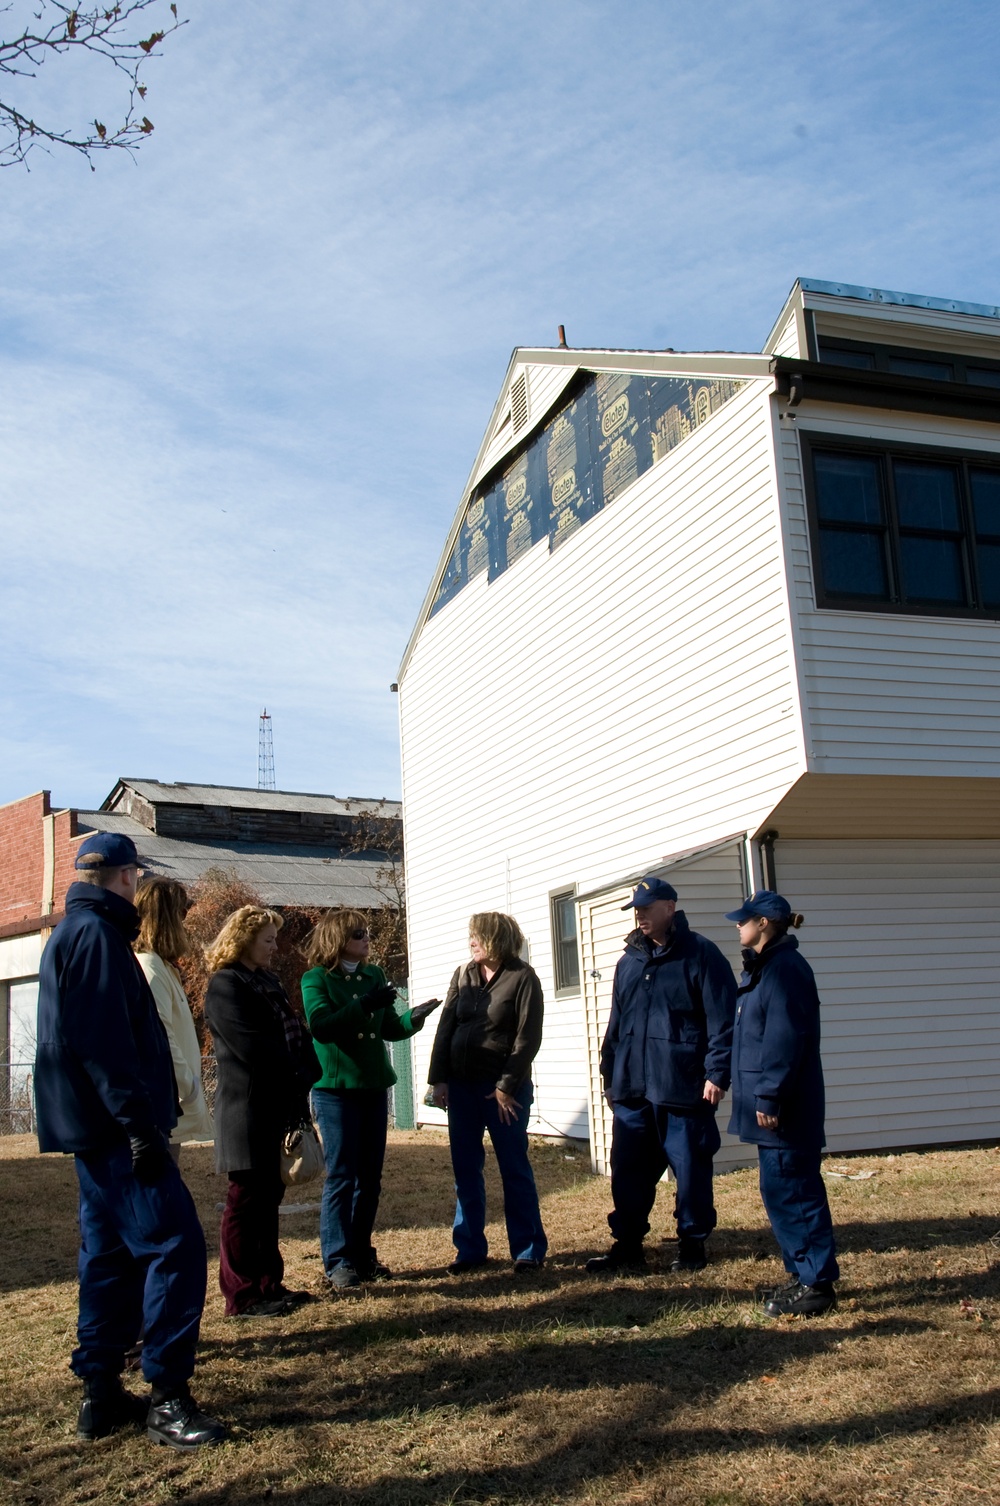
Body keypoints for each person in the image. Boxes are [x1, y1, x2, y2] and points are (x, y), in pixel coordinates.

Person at [33, 832, 225, 1449]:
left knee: (109, 1256)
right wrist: (139, 1126)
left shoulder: (78, 933)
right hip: (117, 1133)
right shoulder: (96, 939)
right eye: (137, 878)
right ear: (125, 878)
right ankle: (168, 1397)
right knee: (175, 1247)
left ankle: (101, 1392)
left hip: (98, 1132)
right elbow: (103, 1045)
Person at [587, 875, 737, 1275]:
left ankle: (692, 1246)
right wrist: (610, 1075)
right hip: (633, 1090)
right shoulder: (628, 962)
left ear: (669, 907)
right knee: (629, 1172)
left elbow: (723, 1022)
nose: (640, 916)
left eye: (647, 908)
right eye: (636, 909)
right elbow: (616, 1027)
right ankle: (628, 1245)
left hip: (682, 1088)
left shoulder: (701, 956)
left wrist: (717, 1074)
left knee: (689, 1172)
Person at [301, 910, 441, 1289]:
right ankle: (338, 1261)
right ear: (337, 938)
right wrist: (364, 1004)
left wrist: (415, 1017)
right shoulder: (317, 979)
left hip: (373, 1087)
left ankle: (362, 1254)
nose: (367, 939)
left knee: (370, 1179)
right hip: (336, 1091)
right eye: (359, 934)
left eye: (367, 933)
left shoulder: (373, 975)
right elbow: (322, 1026)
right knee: (342, 1176)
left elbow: (390, 1029)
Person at [724, 890, 839, 1316]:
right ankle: (800, 1273)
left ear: (765, 924)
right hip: (769, 1104)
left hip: (786, 1109)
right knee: (779, 1189)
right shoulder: (765, 968)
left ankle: (818, 1285)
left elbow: (784, 1040)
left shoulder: (785, 970)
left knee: (795, 1189)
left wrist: (769, 1095)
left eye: (745, 919)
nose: (738, 925)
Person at [203, 905, 321, 1318]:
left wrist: (308, 1068)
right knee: (245, 1201)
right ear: (244, 940)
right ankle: (243, 1295)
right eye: (268, 939)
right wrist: (295, 1070)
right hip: (247, 1110)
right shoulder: (225, 985)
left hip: (278, 1105)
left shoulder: (266, 981)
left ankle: (270, 1284)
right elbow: (251, 1046)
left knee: (269, 1198)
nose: (275, 946)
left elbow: (297, 1034)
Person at [428, 911, 547, 1274]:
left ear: (496, 938)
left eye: (476, 936)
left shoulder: (523, 978)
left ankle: (527, 1250)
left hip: (503, 1092)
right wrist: (439, 1079)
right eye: (470, 937)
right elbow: (446, 1027)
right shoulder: (463, 974)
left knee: (514, 1167)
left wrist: (506, 1087)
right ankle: (469, 1249)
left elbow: (528, 1038)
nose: (471, 942)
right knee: (466, 1170)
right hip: (461, 1089)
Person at [134, 877, 213, 1163]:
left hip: (173, 1102)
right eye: (182, 913)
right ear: (166, 917)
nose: (186, 922)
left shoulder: (163, 965)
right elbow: (162, 1035)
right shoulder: (149, 967)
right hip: (166, 1103)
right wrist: (187, 1086)